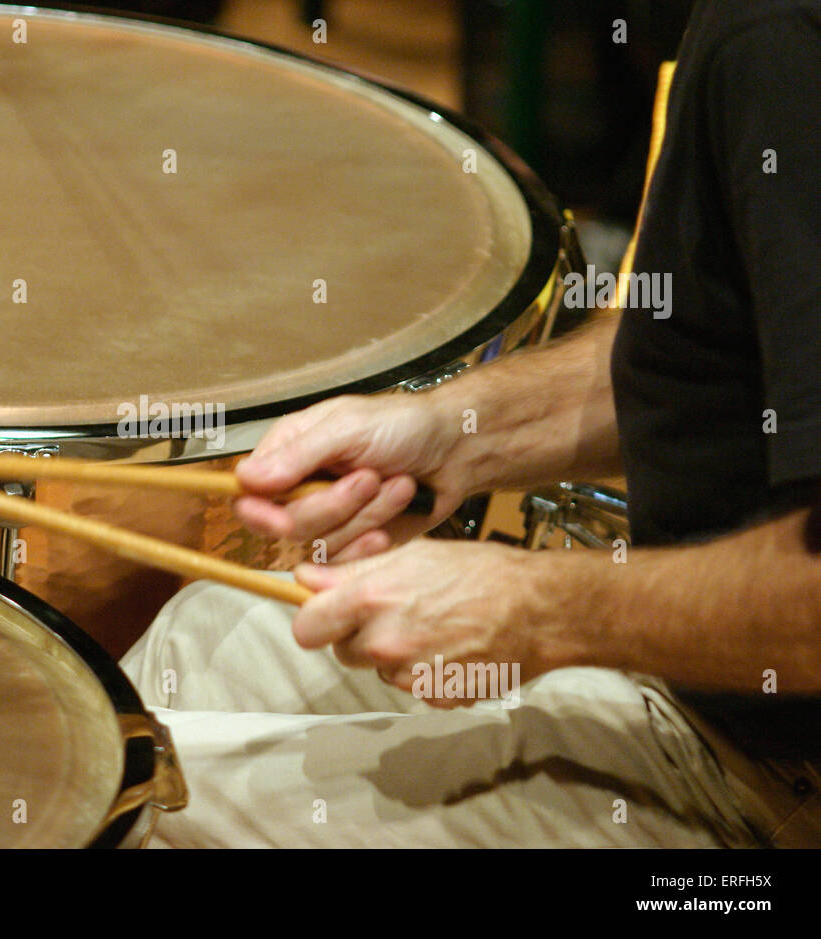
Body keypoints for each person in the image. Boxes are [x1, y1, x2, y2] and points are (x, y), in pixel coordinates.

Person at [120, 0, 821, 847]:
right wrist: (459, 428)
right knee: (193, 650)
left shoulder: (788, 47)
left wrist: (542, 610)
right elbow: (701, 341)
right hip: (698, 683)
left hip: (768, 777)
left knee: (129, 798)